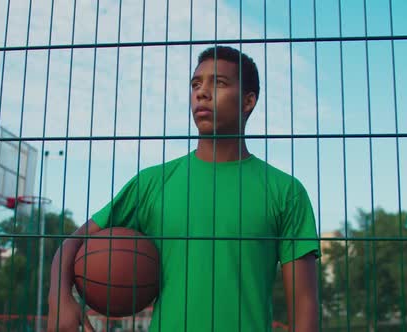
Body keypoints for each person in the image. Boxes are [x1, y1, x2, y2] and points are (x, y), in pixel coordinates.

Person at [47, 45, 321, 332]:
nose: (202, 92)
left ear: (248, 101)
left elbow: (304, 307)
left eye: (220, 82)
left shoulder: (285, 192)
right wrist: (59, 300)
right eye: (196, 84)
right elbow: (72, 242)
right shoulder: (152, 183)